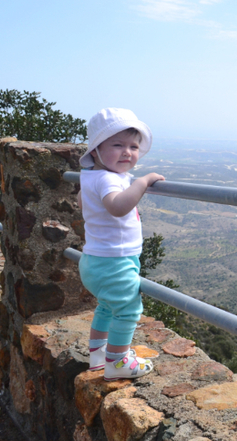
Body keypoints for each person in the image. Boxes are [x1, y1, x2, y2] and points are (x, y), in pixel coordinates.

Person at [78, 108, 165, 381]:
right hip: (113, 262)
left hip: (96, 260)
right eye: (117, 145)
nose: (127, 152)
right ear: (95, 151)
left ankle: (98, 356)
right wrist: (143, 182)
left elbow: (83, 202)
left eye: (133, 146)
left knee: (107, 307)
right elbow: (117, 207)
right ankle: (117, 363)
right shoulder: (107, 179)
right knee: (128, 311)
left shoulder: (91, 176)